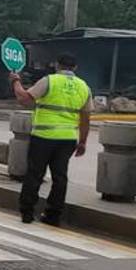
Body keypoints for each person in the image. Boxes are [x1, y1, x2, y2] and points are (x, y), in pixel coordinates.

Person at [10, 53, 91, 225]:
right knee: (60, 177)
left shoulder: (49, 81)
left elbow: (24, 99)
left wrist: (16, 81)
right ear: (75, 68)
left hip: (43, 136)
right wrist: (83, 142)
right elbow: (85, 118)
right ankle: (53, 215)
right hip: (67, 139)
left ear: (57, 65)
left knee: (35, 174)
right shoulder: (84, 86)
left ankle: (27, 213)